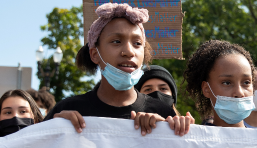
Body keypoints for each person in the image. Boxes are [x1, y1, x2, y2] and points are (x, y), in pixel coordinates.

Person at [45, 3, 193, 137]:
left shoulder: (163, 113)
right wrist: (51, 130)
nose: (129, 51)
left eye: (137, 43)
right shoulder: (67, 110)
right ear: (95, 54)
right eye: (116, 41)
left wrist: (174, 131)